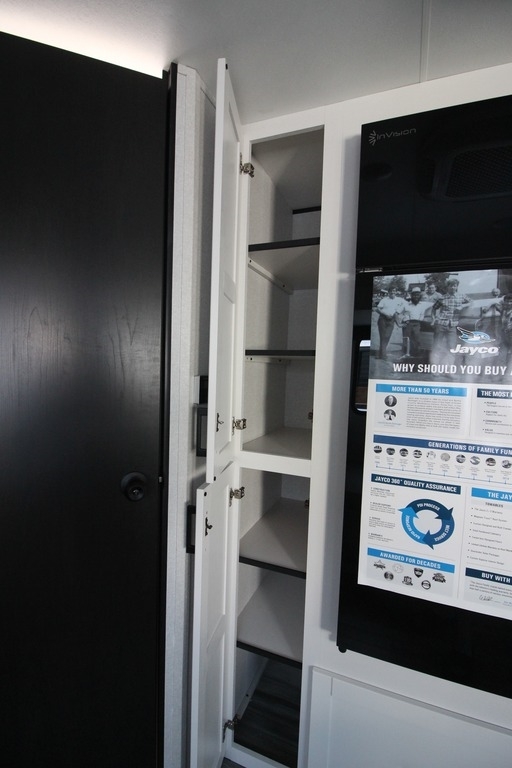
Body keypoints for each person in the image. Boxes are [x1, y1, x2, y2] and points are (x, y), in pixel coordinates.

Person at [430, 279, 471, 364]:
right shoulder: (442, 297)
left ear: (457, 287)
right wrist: (434, 319)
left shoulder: (461, 296)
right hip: (440, 324)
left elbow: (471, 302)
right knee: (437, 346)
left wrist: (462, 306)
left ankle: (449, 367)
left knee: (452, 347)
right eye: (450, 286)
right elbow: (433, 309)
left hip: (452, 325)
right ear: (447, 287)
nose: (452, 287)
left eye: (454, 286)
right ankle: (435, 366)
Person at [375, 286, 406, 360]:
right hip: (383, 319)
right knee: (383, 337)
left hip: (392, 319)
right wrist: (385, 314)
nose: (392, 292)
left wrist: (398, 311)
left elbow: (407, 304)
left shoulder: (399, 300)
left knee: (387, 336)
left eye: (394, 291)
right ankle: (383, 354)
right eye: (391, 291)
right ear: (388, 292)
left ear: (396, 292)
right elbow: (377, 309)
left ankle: (380, 352)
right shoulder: (384, 300)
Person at [400, 287, 429, 358]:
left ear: (420, 296)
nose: (416, 296)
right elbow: (399, 312)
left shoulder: (423, 304)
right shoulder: (406, 304)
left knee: (417, 339)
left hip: (417, 323)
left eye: (417, 295)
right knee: (406, 339)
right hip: (408, 323)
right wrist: (403, 319)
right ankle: (405, 354)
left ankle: (416, 355)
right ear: (411, 295)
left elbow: (435, 304)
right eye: (414, 295)